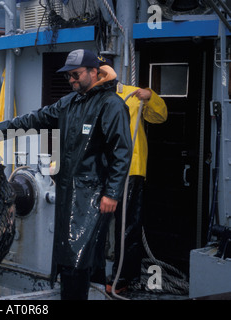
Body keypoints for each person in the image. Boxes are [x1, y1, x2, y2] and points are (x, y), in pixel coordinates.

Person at [0, 49, 133, 300]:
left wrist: (112, 193)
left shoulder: (112, 105)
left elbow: (122, 152)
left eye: (75, 74)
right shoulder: (69, 103)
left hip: (92, 195)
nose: (71, 80)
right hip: (68, 191)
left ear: (94, 72)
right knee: (70, 256)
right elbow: (34, 119)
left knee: (77, 257)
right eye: (68, 76)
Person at [97, 56, 168, 294]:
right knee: (95, 224)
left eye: (102, 71)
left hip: (131, 170)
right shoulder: (89, 98)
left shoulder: (133, 94)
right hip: (99, 169)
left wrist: (151, 97)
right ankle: (94, 272)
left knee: (128, 227)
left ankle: (124, 277)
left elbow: (160, 117)